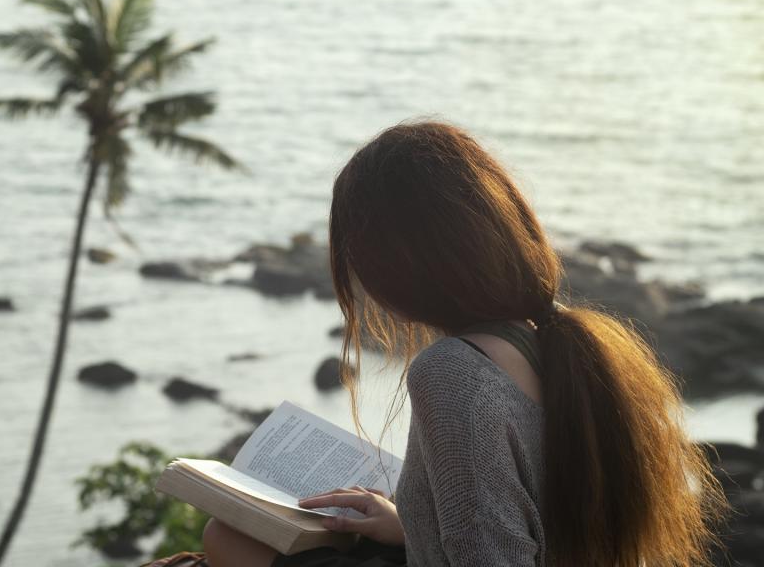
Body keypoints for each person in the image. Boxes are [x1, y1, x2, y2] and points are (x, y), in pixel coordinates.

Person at [201, 121, 725, 567]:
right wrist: (410, 525)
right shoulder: (563, 339)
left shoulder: (454, 371)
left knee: (225, 538)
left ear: (397, 266)